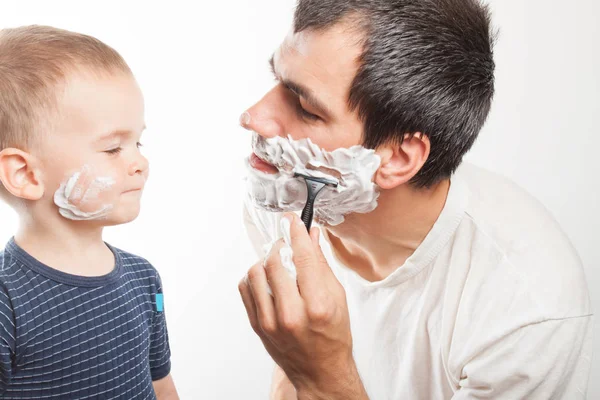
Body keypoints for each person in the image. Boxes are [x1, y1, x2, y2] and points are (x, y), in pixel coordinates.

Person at [238, 0, 593, 399]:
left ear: (398, 158)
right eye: (278, 80)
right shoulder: (286, 198)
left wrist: (324, 375)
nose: (252, 117)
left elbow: (310, 380)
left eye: (305, 107)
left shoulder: (525, 311)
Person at [0, 25, 178, 399]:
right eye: (114, 148)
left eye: (138, 142)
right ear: (26, 174)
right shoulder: (6, 303)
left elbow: (161, 387)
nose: (140, 162)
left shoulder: (145, 279)